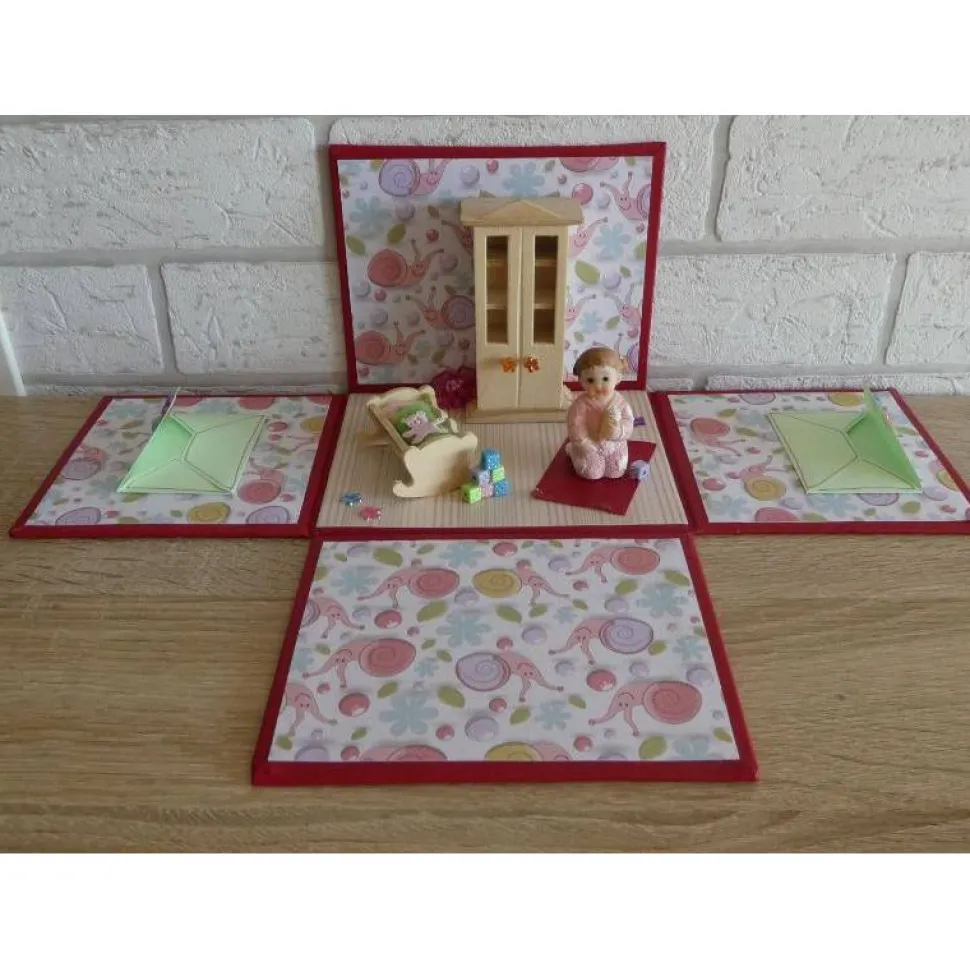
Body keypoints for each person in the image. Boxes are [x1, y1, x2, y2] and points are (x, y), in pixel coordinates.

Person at [565, 347, 634, 480]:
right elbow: (575, 424)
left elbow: (628, 420)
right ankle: (573, 452)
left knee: (616, 471)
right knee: (592, 473)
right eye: (591, 380)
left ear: (618, 378)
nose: (598, 386)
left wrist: (618, 431)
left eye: (605, 379)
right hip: (590, 444)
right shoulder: (581, 404)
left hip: (614, 444)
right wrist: (584, 443)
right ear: (581, 381)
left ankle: (612, 461)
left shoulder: (620, 402)